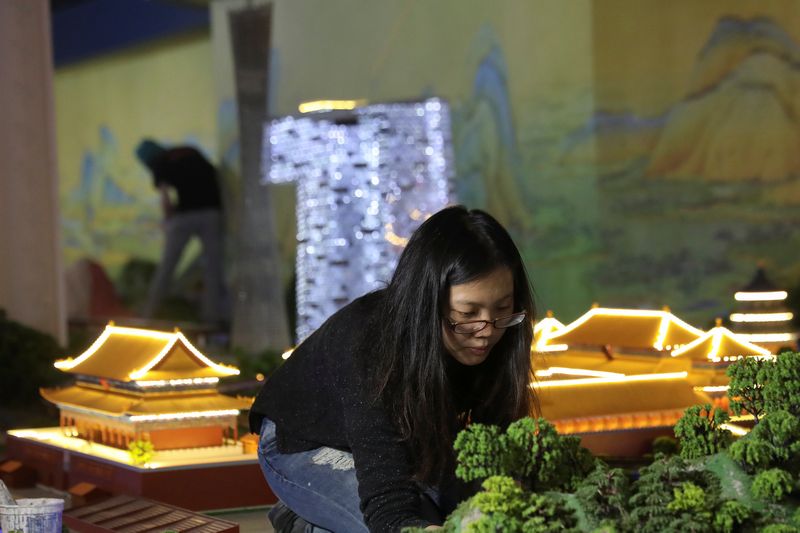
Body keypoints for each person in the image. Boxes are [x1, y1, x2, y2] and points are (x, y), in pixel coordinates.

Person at [249, 205, 536, 532]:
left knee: (487, 514)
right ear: (427, 302)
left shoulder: (503, 332)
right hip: (303, 442)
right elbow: (390, 506)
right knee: (417, 523)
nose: (487, 331)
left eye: (502, 309)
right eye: (468, 314)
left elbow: (493, 457)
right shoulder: (370, 342)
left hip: (401, 434)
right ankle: (303, 523)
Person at [135, 139, 226, 325]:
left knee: (167, 266)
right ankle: (212, 318)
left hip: (185, 214)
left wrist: (168, 220)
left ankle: (148, 314)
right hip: (212, 211)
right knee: (213, 267)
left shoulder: (159, 162)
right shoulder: (189, 150)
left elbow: (165, 198)